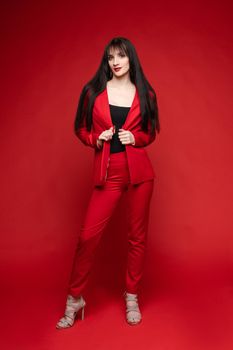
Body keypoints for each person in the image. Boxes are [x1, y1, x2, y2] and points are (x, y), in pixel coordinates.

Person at [56, 36, 160, 329]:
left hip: (140, 174)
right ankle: (75, 299)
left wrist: (136, 138)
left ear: (131, 60)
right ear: (107, 61)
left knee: (136, 238)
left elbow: (151, 133)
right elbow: (80, 128)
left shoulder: (146, 94)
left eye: (122, 56)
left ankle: (131, 297)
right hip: (108, 174)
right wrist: (95, 139)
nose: (116, 62)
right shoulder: (92, 93)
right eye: (111, 57)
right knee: (87, 238)